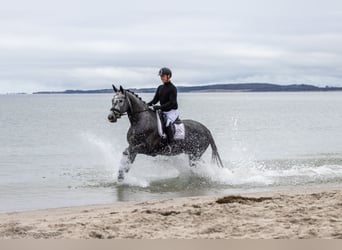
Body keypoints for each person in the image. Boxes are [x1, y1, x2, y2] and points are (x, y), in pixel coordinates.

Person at [148, 67, 179, 144]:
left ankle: (171, 144)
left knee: (167, 123)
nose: (161, 78)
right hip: (163, 111)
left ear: (168, 76)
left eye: (163, 76)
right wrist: (145, 105)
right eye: (161, 76)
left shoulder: (173, 88)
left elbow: (172, 103)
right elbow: (154, 100)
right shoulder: (160, 88)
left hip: (172, 111)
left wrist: (159, 107)